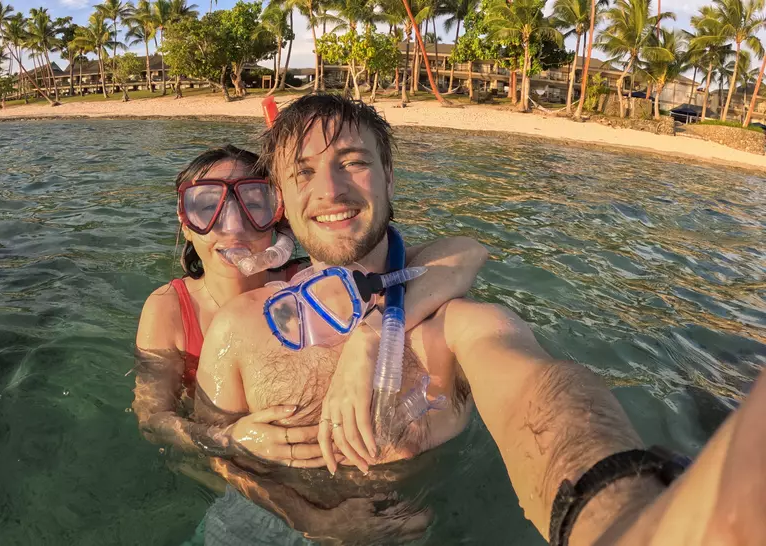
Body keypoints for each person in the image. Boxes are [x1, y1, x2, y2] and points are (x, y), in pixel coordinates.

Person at [193, 94, 760, 545]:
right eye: (305, 171)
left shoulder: (452, 327)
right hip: (252, 525)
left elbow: (540, 393)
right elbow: (199, 444)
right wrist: (289, 501)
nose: (332, 189)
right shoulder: (239, 328)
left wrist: (620, 518)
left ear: (389, 178)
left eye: (354, 162)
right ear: (283, 202)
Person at [132, 144, 488, 475]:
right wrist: (227, 439)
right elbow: (152, 419)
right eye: (206, 207)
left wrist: (376, 330)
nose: (233, 228)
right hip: (233, 468)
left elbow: (464, 252)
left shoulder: (314, 282)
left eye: (254, 204)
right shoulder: (168, 309)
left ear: (278, 216)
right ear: (185, 222)